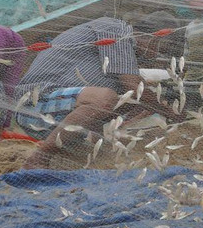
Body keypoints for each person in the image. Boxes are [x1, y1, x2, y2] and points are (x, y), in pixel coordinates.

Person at [16, 13, 183, 168]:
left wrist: (151, 105)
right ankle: (39, 157)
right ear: (156, 36)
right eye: (162, 47)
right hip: (35, 102)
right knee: (106, 97)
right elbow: (132, 84)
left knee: (130, 98)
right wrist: (167, 111)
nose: (156, 55)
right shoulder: (116, 29)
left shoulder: (126, 56)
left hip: (57, 117)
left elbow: (134, 94)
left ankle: (79, 148)